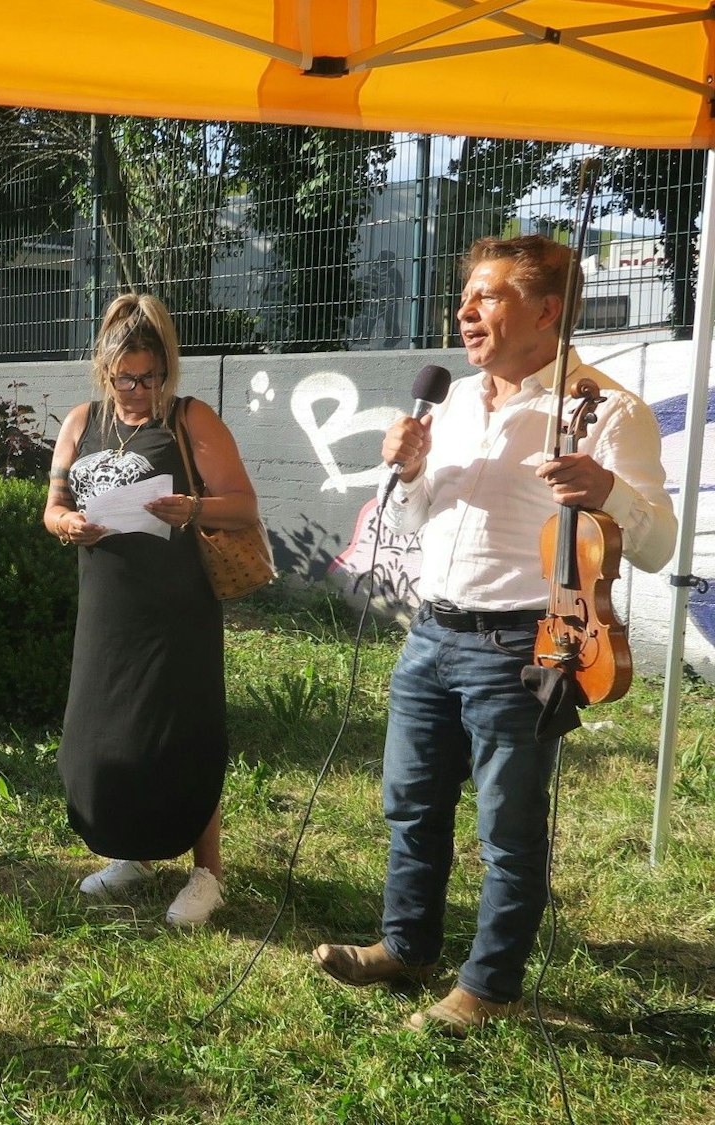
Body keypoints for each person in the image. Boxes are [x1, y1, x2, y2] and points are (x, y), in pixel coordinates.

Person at [313, 235, 677, 1033]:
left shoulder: (608, 410)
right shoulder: (449, 404)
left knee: (507, 825)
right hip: (431, 633)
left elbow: (657, 544)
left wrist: (609, 489)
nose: (464, 311)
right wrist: (408, 474)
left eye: (487, 296)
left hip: (526, 643)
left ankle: (490, 984)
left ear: (547, 311)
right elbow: (414, 521)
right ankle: (406, 947)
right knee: (410, 803)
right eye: (465, 296)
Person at [41, 292, 257, 928]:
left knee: (182, 731)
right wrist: (66, 524)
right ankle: (129, 853)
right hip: (106, 606)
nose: (136, 390)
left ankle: (208, 872)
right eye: (124, 377)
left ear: (167, 369)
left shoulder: (192, 419)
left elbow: (244, 507)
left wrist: (192, 507)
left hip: (175, 609)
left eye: (149, 377)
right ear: (104, 370)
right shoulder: (81, 421)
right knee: (107, 727)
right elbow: (52, 504)